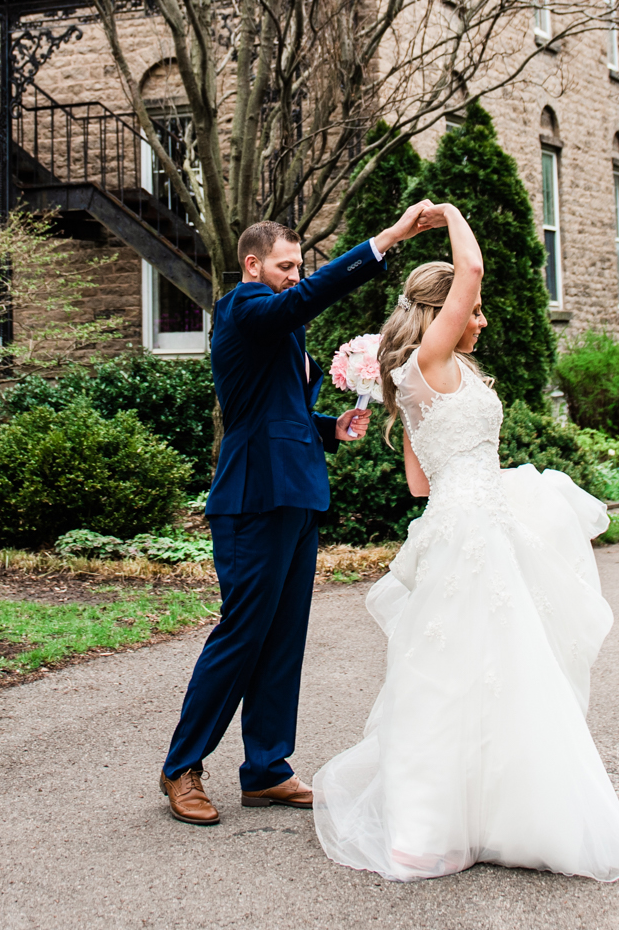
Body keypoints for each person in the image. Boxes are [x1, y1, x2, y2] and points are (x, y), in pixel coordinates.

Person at [312, 203, 619, 883]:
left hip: (457, 526)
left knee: (456, 672)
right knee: (496, 667)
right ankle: (467, 823)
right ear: (444, 313)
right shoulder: (433, 358)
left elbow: (417, 484)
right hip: (474, 532)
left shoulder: (417, 376)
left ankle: (440, 827)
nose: (483, 318)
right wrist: (448, 214)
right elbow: (470, 264)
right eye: (474, 311)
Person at [159, 202, 446, 825]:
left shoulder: (283, 331)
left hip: (296, 492)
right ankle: (182, 766)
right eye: (285, 265)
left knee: (283, 639)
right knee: (240, 634)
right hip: (252, 497)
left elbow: (275, 405)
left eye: (299, 265)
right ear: (252, 264)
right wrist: (389, 238)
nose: (295, 274)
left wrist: (327, 426)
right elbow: (297, 306)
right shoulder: (243, 307)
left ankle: (267, 770)